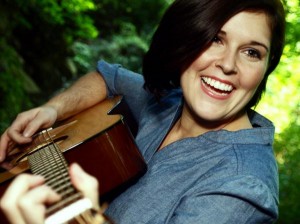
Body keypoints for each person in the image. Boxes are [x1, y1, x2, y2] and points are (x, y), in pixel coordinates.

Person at [0, 0, 286, 223]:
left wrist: (76, 219)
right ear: (187, 37)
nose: (227, 64)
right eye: (215, 39)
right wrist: (52, 109)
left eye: (252, 52)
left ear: (266, 67)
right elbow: (107, 78)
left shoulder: (241, 188)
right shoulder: (170, 101)